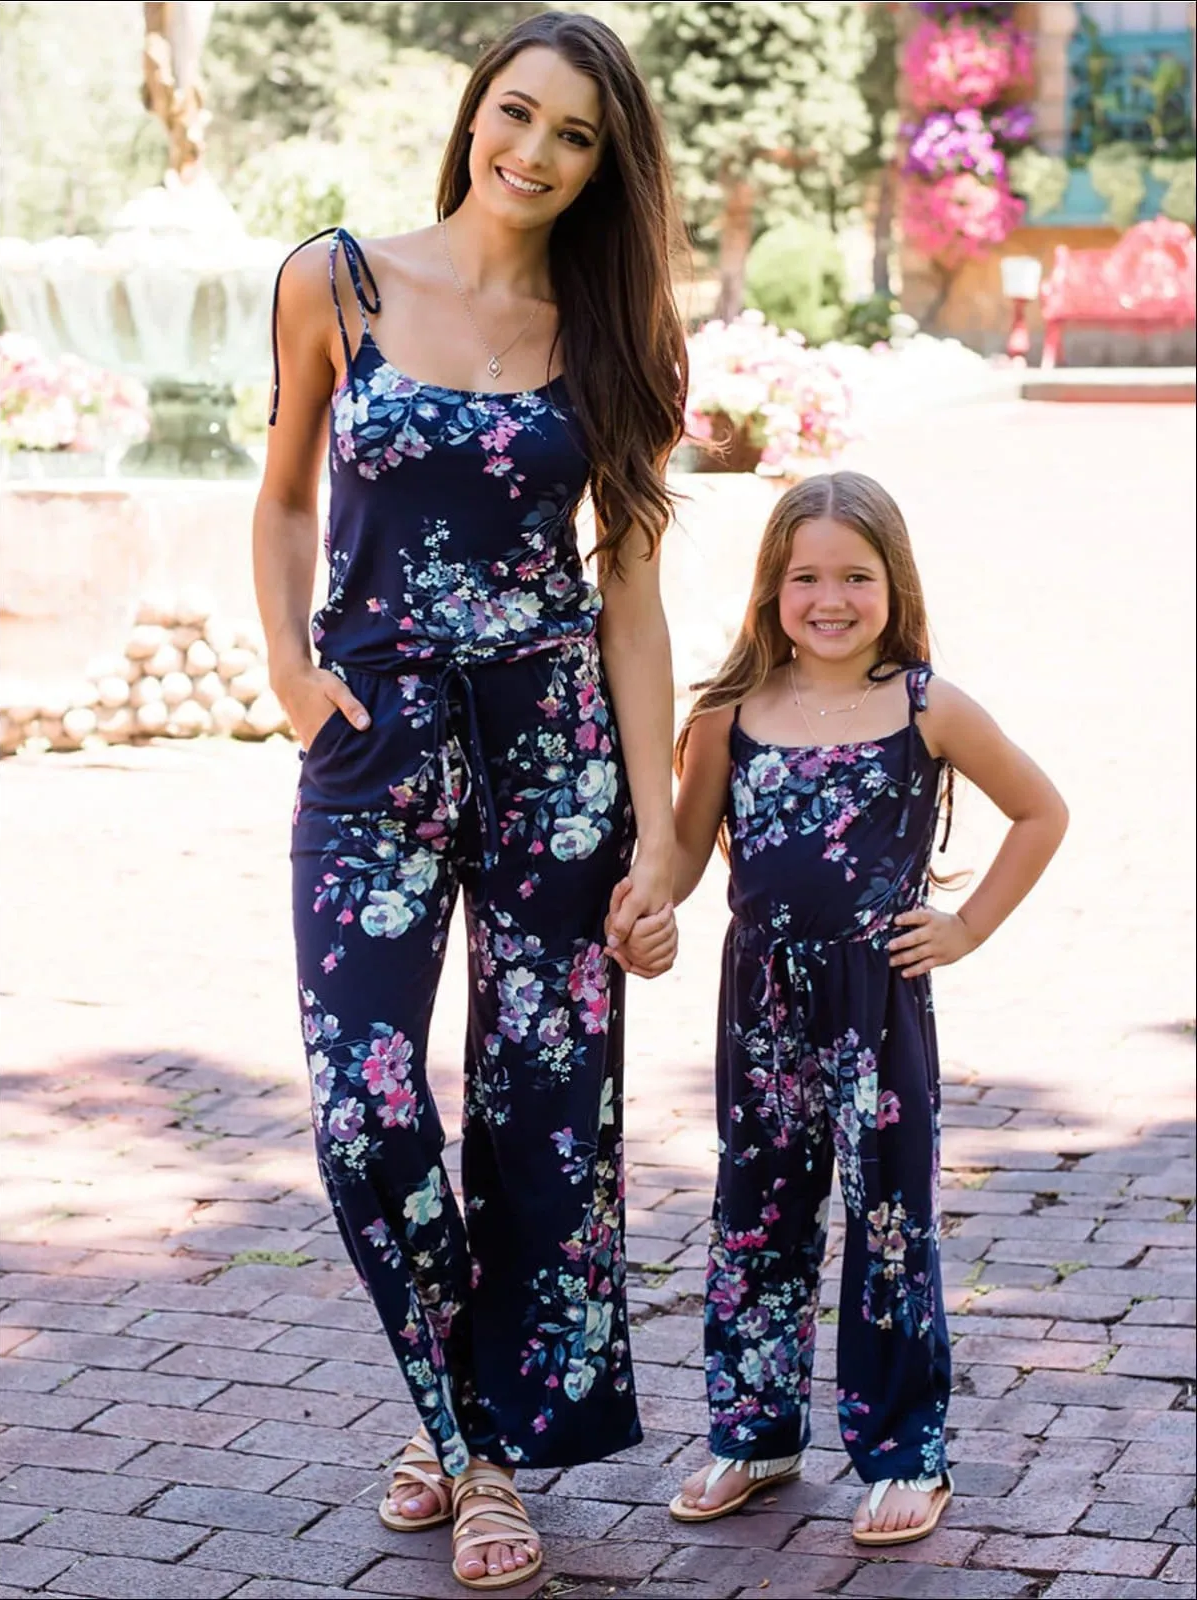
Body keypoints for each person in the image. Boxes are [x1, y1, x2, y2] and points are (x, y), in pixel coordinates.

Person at [253, 12, 684, 1590]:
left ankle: (480, 1444)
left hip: (554, 750)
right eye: (520, 114)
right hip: (373, 743)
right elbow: (289, 487)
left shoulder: (620, 330)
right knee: (365, 1107)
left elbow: (631, 598)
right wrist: (294, 677)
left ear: (604, 163)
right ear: (475, 111)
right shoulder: (339, 280)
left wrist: (661, 833)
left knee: (545, 1117)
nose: (537, 153)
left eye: (576, 135)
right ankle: (470, 1429)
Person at [618, 471, 1068, 1546]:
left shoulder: (927, 706)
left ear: (893, 583)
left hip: (879, 1004)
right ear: (771, 586)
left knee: (888, 1219)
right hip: (762, 1001)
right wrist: (645, 902)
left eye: (855, 575)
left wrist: (964, 929)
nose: (830, 597)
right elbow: (682, 855)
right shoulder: (728, 717)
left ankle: (904, 1450)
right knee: (757, 1212)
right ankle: (755, 1431)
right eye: (805, 575)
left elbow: (1042, 810)